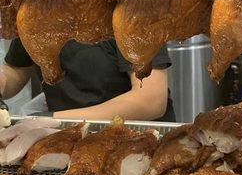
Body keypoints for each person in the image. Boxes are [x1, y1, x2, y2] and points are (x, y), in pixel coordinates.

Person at [0, 38, 176, 121]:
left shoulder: (127, 2)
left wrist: (50, 120)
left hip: (138, 141)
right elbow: (17, 69)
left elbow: (150, 100)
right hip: (67, 140)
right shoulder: (35, 8)